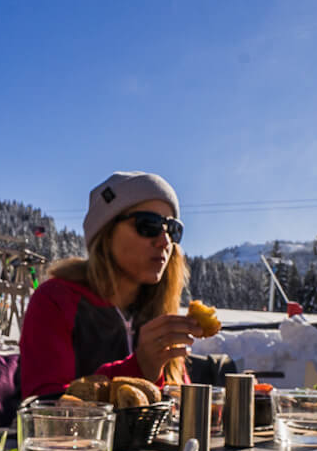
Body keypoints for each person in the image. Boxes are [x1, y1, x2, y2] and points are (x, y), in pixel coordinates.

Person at [16, 171, 201, 400]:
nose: (164, 241)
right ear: (106, 233)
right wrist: (139, 367)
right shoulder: (56, 300)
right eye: (149, 225)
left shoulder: (158, 308)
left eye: (172, 229)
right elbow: (43, 407)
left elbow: (177, 403)